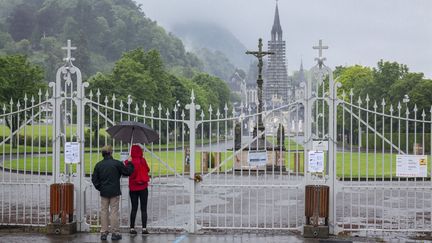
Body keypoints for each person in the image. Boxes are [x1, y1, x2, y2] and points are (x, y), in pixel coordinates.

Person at [92, 145, 134, 241]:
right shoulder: (117, 163)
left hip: (104, 192)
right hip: (114, 191)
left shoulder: (99, 165)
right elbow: (128, 172)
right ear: (111, 153)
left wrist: (100, 188)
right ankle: (115, 233)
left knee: (104, 212)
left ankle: (104, 232)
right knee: (114, 212)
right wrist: (130, 163)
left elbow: (94, 179)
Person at [124, 144, 150, 235]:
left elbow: (126, 171)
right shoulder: (142, 160)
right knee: (144, 208)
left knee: (134, 208)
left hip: (133, 188)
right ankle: (144, 228)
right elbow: (147, 169)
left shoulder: (128, 161)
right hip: (143, 187)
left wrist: (129, 161)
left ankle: (132, 228)